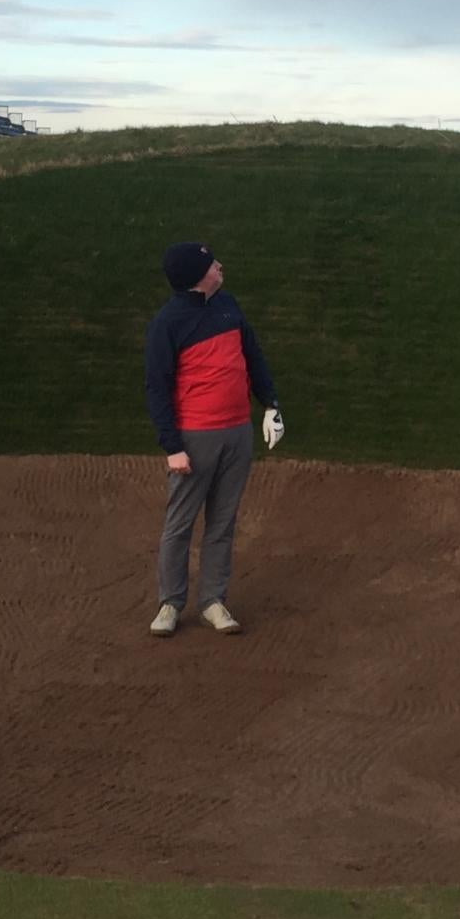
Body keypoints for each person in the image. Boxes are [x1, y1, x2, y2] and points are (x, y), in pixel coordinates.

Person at [144, 241, 283, 636]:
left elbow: (252, 356)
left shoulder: (229, 306)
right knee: (180, 524)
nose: (219, 266)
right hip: (195, 437)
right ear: (194, 278)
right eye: (210, 264)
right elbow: (156, 388)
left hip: (237, 432)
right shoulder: (167, 323)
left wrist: (270, 404)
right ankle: (170, 603)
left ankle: (213, 601)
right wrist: (172, 446)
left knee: (222, 521)